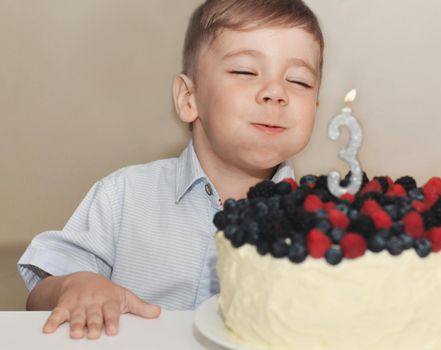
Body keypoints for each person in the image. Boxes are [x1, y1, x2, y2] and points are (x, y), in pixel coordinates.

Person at [17, 0, 324, 340]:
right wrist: (75, 285)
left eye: (299, 81)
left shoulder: (327, 221)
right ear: (188, 98)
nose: (276, 92)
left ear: (316, 106)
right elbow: (40, 295)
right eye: (245, 72)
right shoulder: (123, 196)